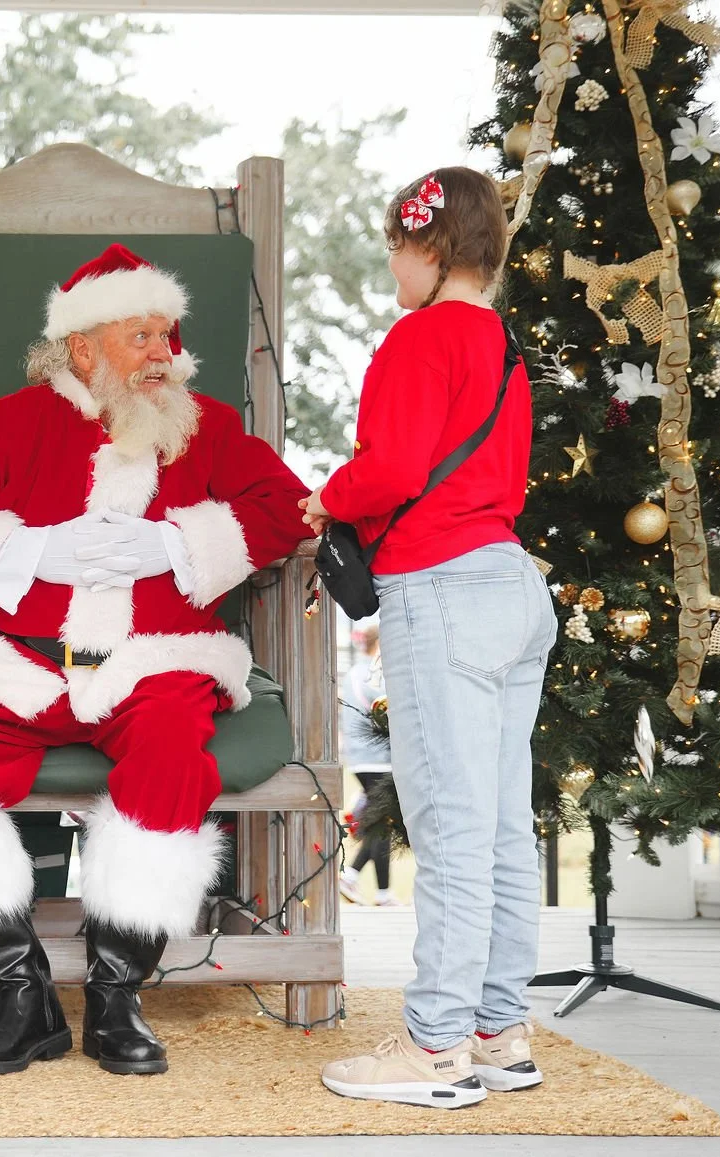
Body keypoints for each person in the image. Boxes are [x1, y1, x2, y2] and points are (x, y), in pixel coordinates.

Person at [0, 243, 312, 1076]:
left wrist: (174, 544)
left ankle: (117, 995)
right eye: (141, 335)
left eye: (167, 335)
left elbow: (288, 507)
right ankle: (20, 994)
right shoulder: (1, 425)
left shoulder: (207, 427)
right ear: (81, 347)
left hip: (153, 665)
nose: (164, 353)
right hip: (15, 666)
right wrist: (32, 551)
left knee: (172, 755)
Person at [300, 168, 556, 1109]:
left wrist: (330, 494)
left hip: (442, 587)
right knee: (497, 827)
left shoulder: (420, 336)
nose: (392, 270)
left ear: (434, 247)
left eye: (397, 250)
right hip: (511, 584)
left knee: (449, 826)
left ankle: (436, 1048)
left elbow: (395, 466)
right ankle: (498, 1028)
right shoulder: (504, 344)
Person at [338, 624, 397, 907]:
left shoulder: (354, 674)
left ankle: (363, 881)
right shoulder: (374, 673)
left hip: (362, 758)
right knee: (383, 822)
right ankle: (364, 882)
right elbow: (386, 709)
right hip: (378, 759)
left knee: (380, 820)